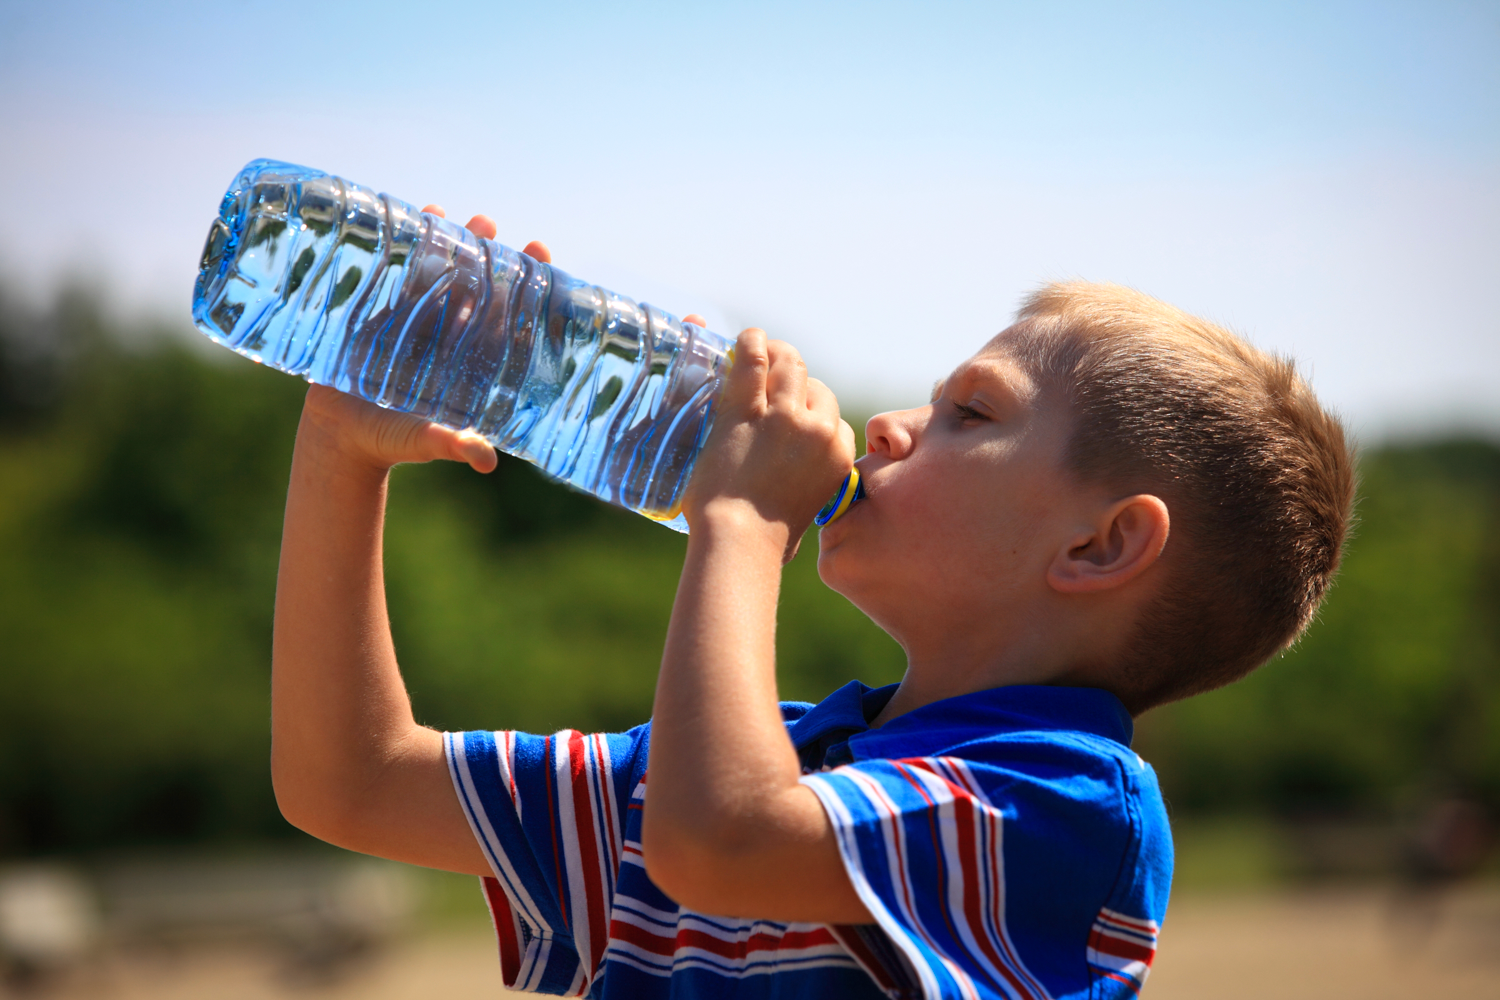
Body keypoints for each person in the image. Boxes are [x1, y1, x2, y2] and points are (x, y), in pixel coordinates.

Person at [269, 210, 1355, 999]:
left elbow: (724, 845)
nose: (889, 426)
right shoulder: (781, 757)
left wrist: (738, 524)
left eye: (969, 413)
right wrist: (340, 449)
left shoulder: (1065, 806)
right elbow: (348, 782)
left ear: (1101, 542)